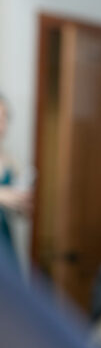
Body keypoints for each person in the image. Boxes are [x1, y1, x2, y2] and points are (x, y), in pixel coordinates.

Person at [0, 93, 32, 266]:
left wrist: (21, 205)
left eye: (4, 118)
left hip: (4, 240)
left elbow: (19, 212)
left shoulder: (12, 163)